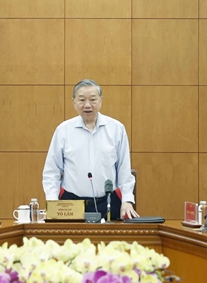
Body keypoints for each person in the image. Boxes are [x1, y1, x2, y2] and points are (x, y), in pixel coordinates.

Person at [43, 79, 138, 220]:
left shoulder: (116, 129)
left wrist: (127, 201)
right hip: (71, 204)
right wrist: (52, 204)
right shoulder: (63, 131)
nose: (87, 105)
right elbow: (52, 172)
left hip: (108, 203)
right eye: (82, 100)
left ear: (101, 101)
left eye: (93, 99)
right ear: (74, 102)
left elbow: (124, 171)